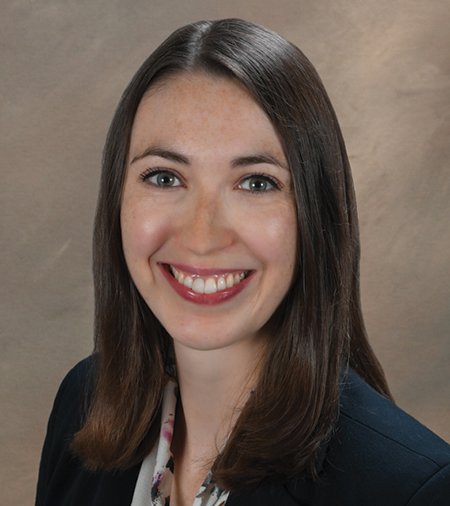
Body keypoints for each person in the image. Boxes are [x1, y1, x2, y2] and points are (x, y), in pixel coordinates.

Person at [35, 19, 450, 506]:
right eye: (165, 177)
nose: (203, 236)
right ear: (117, 200)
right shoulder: (83, 401)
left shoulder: (411, 489)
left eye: (256, 183)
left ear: (314, 216)